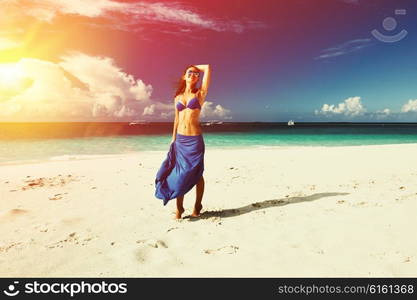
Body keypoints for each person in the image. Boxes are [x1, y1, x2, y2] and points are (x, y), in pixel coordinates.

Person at [155, 64, 211, 219]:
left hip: (195, 140)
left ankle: (197, 205)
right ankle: (179, 208)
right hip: (180, 140)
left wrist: (195, 68)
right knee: (179, 173)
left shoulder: (200, 94)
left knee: (197, 174)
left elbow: (207, 67)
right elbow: (176, 119)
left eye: (195, 74)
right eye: (189, 72)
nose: (193, 74)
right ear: (183, 76)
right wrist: (173, 140)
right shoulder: (177, 98)